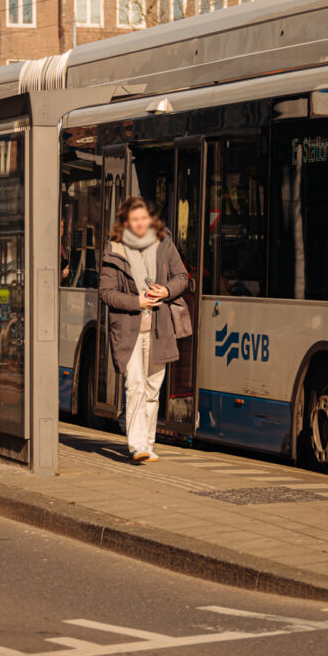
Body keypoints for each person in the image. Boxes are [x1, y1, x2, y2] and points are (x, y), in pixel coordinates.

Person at [99, 196, 189, 464]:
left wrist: (167, 290)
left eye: (143, 218)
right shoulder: (115, 249)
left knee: (152, 387)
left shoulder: (164, 244)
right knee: (135, 384)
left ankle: (148, 444)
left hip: (160, 328)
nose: (139, 224)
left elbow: (182, 277)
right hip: (130, 329)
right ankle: (137, 445)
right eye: (134, 219)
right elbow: (106, 293)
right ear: (125, 222)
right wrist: (136, 302)